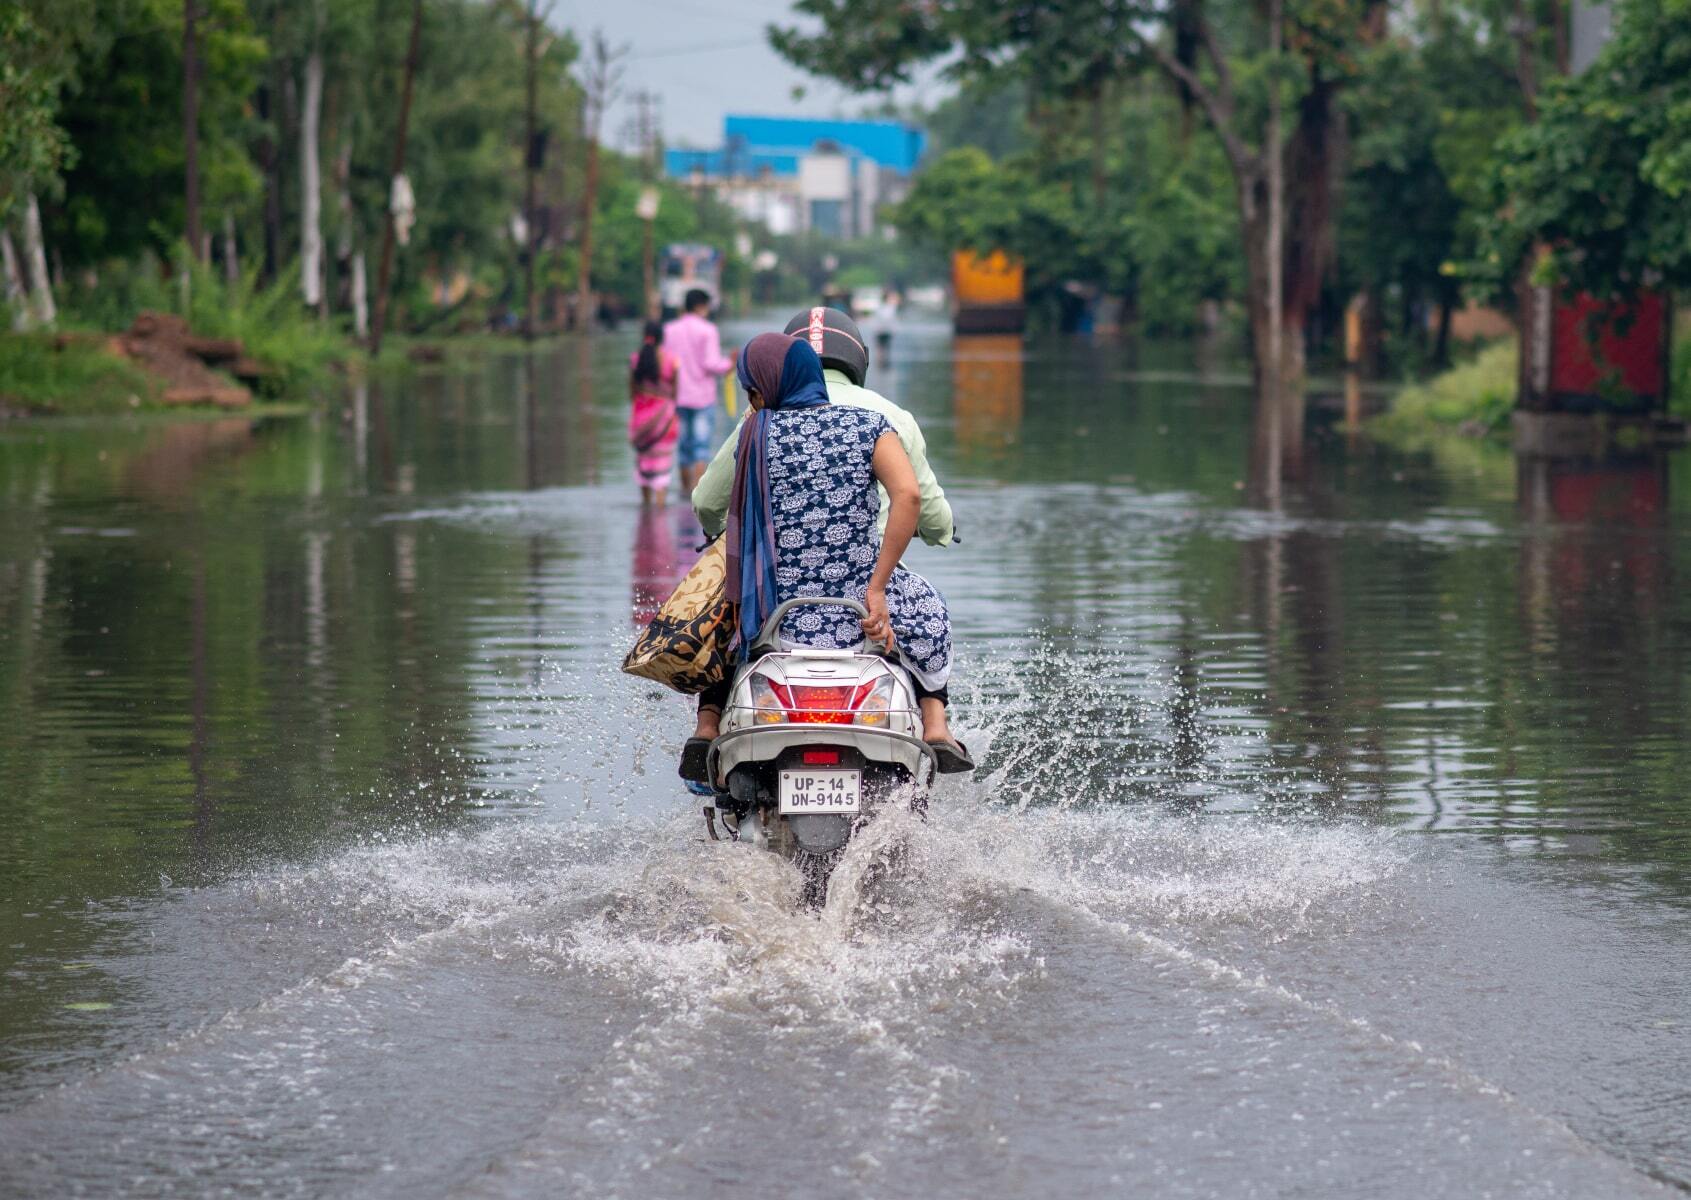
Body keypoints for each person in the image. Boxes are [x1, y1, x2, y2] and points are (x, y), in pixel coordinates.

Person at [679, 332, 971, 782]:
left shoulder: (755, 434)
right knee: (930, 608)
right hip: (860, 607)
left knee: (722, 615)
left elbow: (710, 503)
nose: (753, 401)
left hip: (774, 608)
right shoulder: (869, 425)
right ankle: (936, 726)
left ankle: (707, 723)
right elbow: (910, 496)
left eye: (752, 392)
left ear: (767, 389)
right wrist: (876, 588)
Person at [692, 306, 954, 549]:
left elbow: (707, 503)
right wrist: (938, 531)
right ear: (861, 357)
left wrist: (722, 531)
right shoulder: (888, 418)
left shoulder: (761, 419)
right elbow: (931, 515)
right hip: (872, 578)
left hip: (780, 584)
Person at [662, 288, 736, 497]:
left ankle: (684, 491)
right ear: (701, 306)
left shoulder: (669, 329)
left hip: (677, 396)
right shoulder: (708, 330)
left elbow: (667, 363)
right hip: (702, 397)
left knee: (683, 448)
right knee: (701, 448)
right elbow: (711, 364)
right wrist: (730, 363)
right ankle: (698, 495)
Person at [628, 320, 680, 506]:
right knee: (662, 467)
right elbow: (675, 393)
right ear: (662, 338)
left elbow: (632, 392)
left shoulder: (635, 359)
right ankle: (659, 510)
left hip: (640, 417)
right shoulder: (672, 360)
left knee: (643, 462)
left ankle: (646, 508)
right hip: (665, 420)